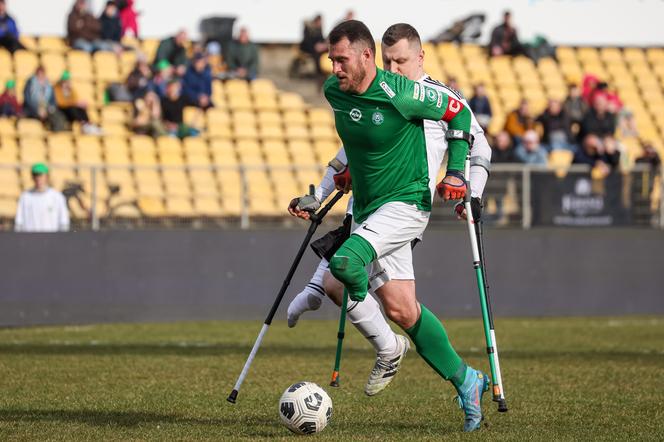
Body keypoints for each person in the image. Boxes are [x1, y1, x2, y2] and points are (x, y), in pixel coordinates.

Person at [289, 20, 488, 432]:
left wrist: (456, 174)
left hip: (406, 205)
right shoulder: (333, 92)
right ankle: (467, 380)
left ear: (365, 56)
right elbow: (355, 140)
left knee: (343, 268)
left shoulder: (405, 93)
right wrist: (337, 180)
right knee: (400, 308)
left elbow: (460, 115)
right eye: (331, 60)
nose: (334, 67)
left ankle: (388, 348)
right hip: (368, 207)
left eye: (341, 59)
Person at [15, 163, 70, 232]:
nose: (38, 178)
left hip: (51, 239)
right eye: (35, 175)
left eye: (41, 175)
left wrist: (61, 239)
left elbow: (64, 222)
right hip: (30, 239)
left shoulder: (57, 197)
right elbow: (19, 222)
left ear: (47, 177)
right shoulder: (25, 197)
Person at [23, 66, 66, 131]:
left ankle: (58, 133)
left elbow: (52, 101)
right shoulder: (30, 83)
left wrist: (49, 109)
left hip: (46, 108)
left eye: (42, 74)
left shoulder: (48, 85)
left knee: (58, 116)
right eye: (39, 74)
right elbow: (28, 99)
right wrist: (37, 110)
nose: (40, 76)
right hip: (32, 109)